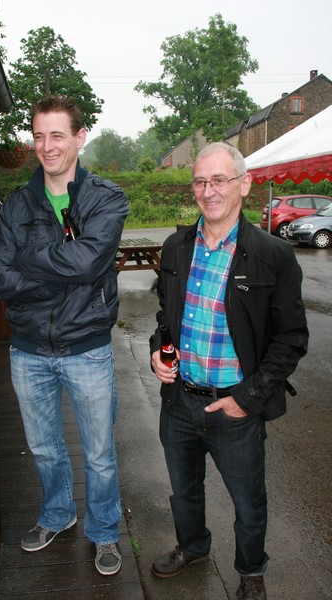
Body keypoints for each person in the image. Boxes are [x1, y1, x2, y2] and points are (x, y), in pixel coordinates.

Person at [149, 142, 308, 599]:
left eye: (219, 180)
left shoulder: (272, 254)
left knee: (248, 501)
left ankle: (251, 571)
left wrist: (247, 399)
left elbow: (291, 338)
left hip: (235, 407)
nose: (208, 190)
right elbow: (165, 317)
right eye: (200, 181)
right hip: (180, 401)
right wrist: (159, 352)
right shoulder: (176, 248)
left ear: (244, 184)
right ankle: (193, 547)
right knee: (183, 491)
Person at [0, 95, 129, 576]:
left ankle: (104, 531)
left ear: (79, 138)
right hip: (27, 351)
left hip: (87, 348)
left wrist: (27, 262)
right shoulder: (16, 204)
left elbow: (88, 262)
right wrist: (52, 278)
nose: (47, 146)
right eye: (39, 136)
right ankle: (58, 513)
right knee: (45, 447)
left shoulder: (106, 198)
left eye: (57, 135)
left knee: (100, 454)